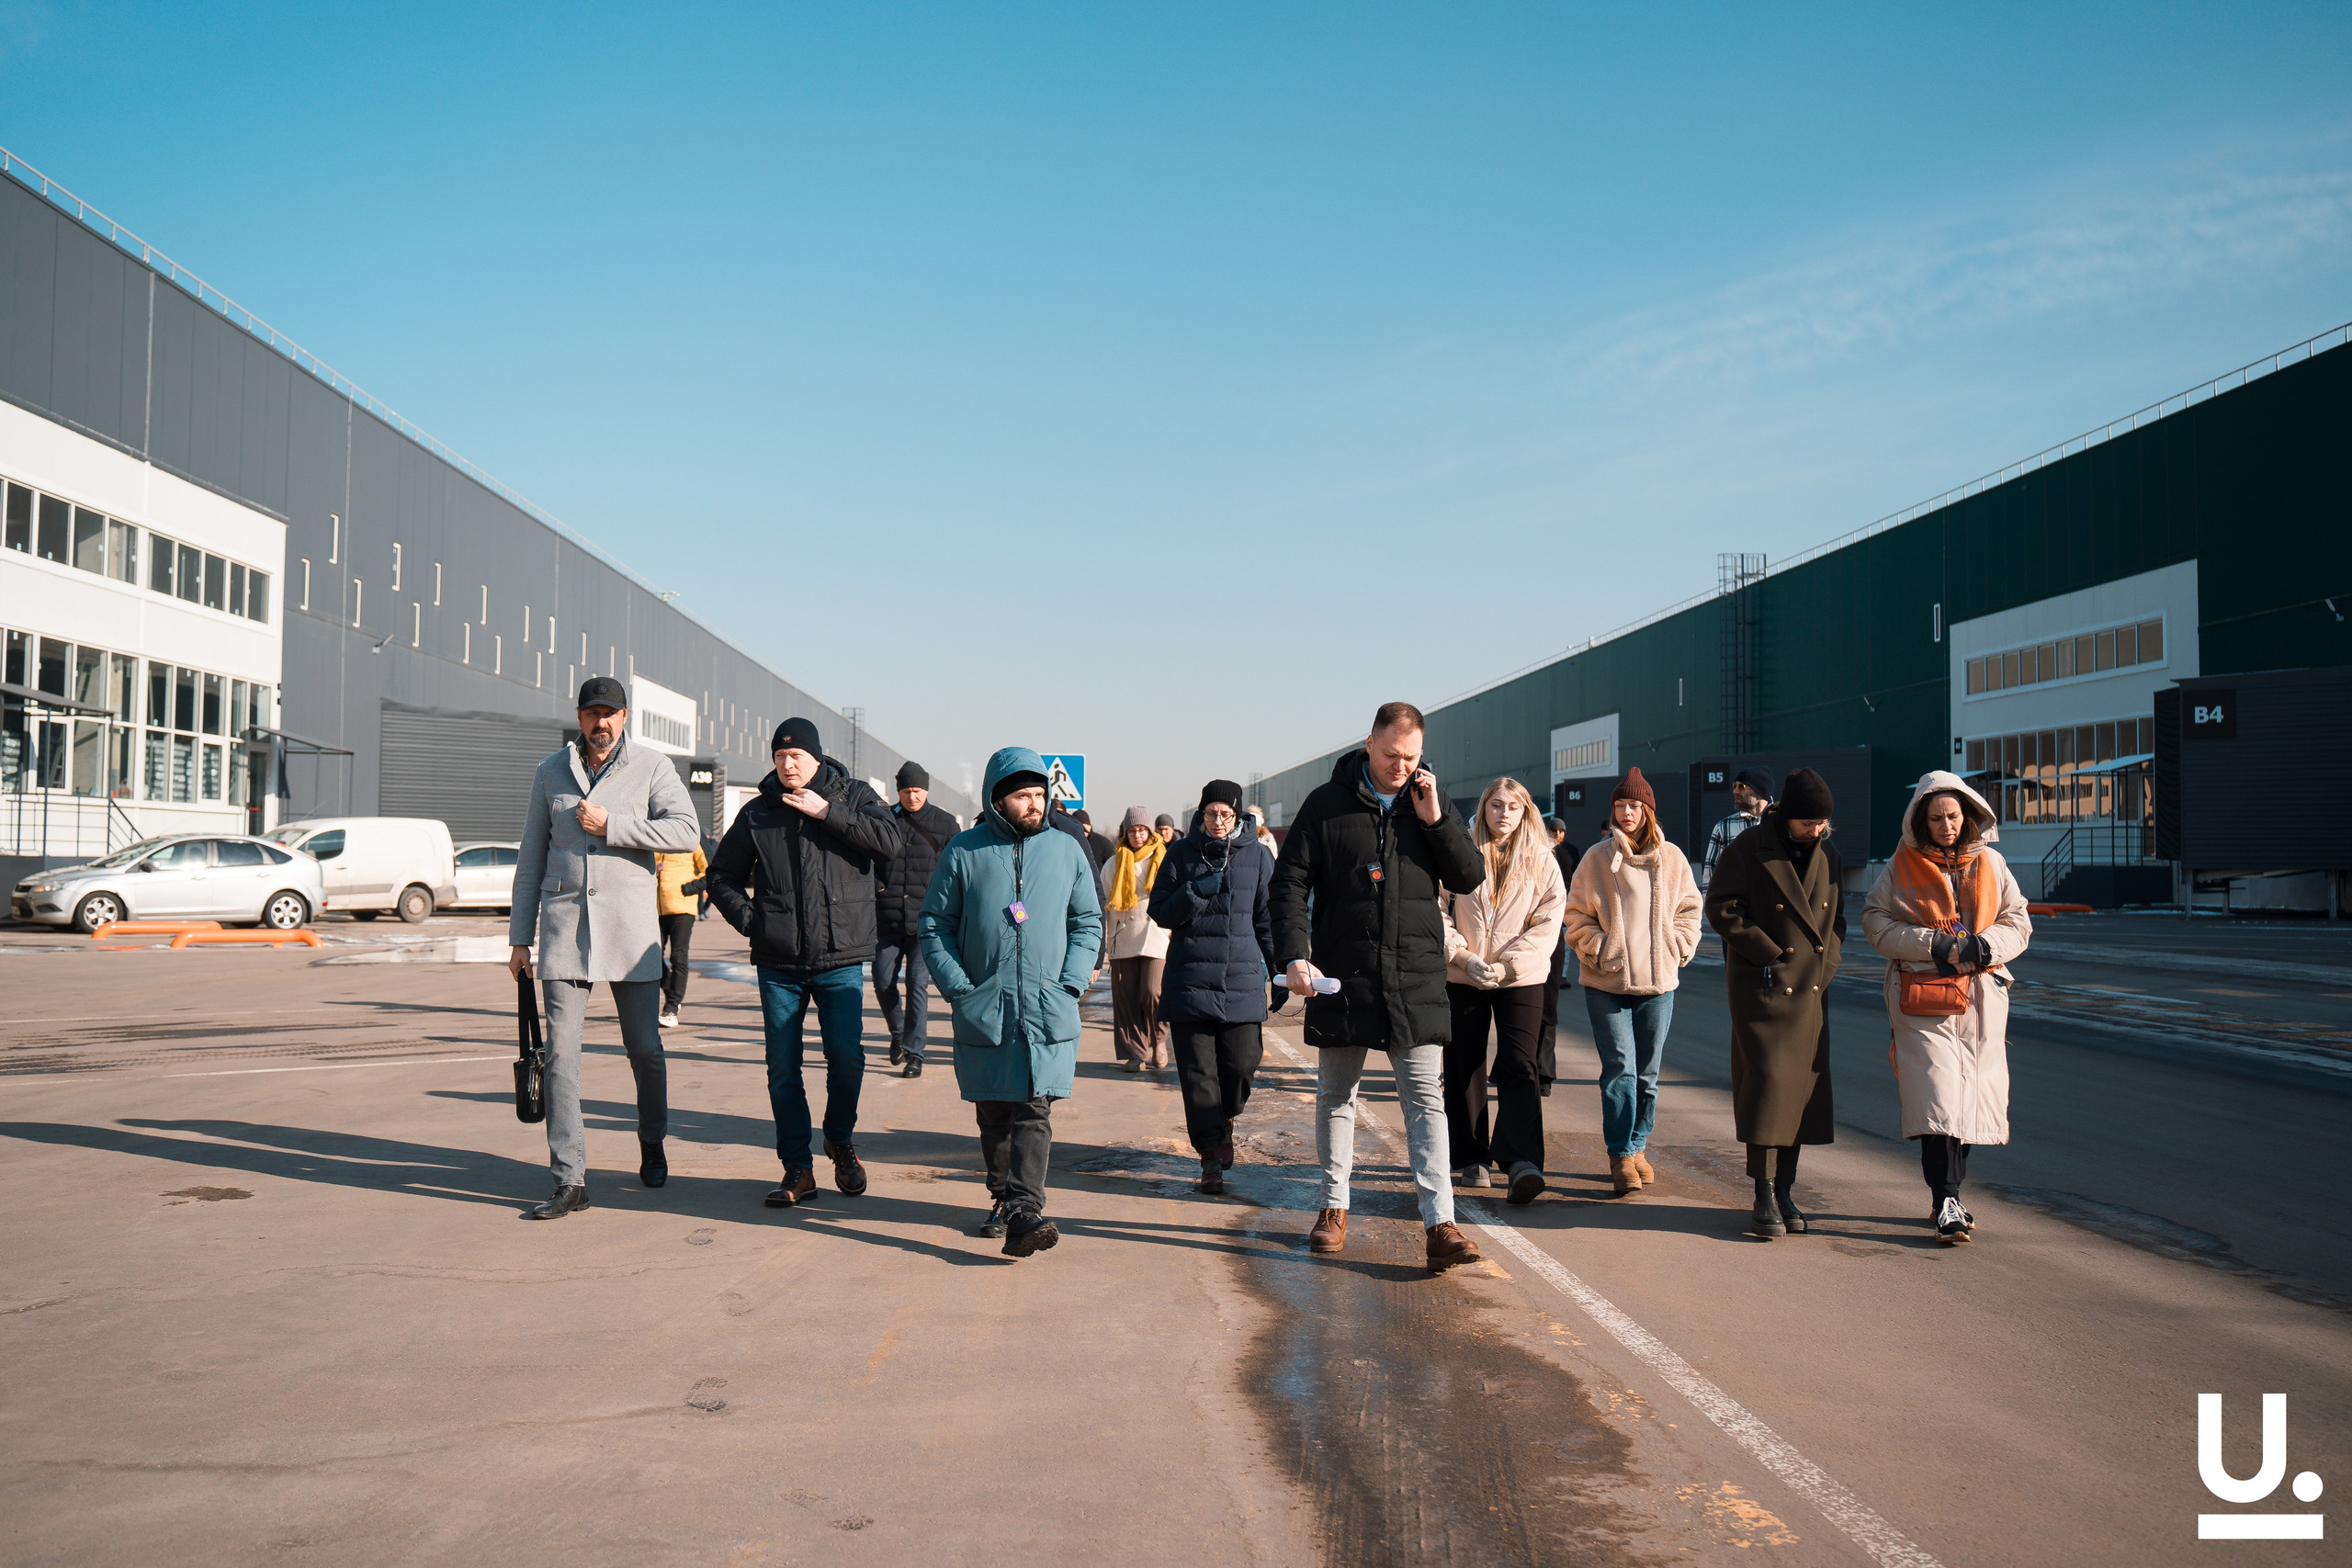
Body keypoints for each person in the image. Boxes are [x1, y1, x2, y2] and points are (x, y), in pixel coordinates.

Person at [1271, 701, 1487, 1274]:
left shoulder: (1428, 804)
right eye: (1392, 755)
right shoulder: (1326, 805)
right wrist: (1295, 955)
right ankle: (1333, 1208)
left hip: (1414, 979)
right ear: (1369, 743)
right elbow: (1288, 883)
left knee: (1425, 1103)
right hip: (1345, 978)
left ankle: (1441, 1224)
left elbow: (1469, 877)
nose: (1401, 766)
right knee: (1337, 1096)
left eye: (1412, 758)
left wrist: (1438, 819)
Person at [507, 677, 703, 1219]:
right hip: (564, 931)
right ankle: (570, 1181)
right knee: (563, 1060)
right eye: (592, 713)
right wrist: (519, 938)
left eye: (610, 714)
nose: (601, 723)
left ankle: (652, 1139)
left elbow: (687, 831)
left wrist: (615, 825)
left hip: (630, 933)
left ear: (625, 716)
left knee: (645, 1050)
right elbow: (530, 858)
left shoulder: (652, 766)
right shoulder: (550, 771)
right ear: (578, 715)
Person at [707, 717, 902, 1208]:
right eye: (779, 757)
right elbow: (721, 876)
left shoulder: (854, 796)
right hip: (779, 963)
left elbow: (889, 842)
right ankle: (798, 1167)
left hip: (840, 957)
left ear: (816, 757)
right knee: (782, 1067)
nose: (787, 764)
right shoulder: (758, 813)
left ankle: (840, 1139)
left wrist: (828, 812)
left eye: (796, 756)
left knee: (846, 1058)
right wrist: (754, 922)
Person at [919, 747, 1103, 1257]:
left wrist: (1069, 983)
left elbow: (1088, 920)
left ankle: (1026, 1212)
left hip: (1047, 1005)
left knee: (1034, 1108)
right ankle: (1001, 1196)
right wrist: (961, 988)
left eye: (1041, 794)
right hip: (986, 1006)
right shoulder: (964, 851)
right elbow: (935, 924)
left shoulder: (1066, 851)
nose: (1035, 804)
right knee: (994, 1113)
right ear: (998, 798)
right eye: (1024, 795)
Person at [1861, 772, 2032, 1244]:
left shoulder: (1993, 864)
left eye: (1953, 815)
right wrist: (1932, 944)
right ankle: (1946, 1198)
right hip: (1923, 999)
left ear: (1969, 814)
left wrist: (1985, 946)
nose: (1946, 825)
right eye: (1935, 817)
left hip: (1980, 1000)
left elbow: (2017, 920)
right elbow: (1875, 922)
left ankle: (1951, 1195)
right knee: (1938, 1095)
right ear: (1920, 819)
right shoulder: (1901, 864)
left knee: (1970, 1100)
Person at [1703, 766, 1843, 1237]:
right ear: (1789, 817)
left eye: (1822, 823)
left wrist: (1826, 969)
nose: (1816, 830)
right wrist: (1769, 953)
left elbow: (1836, 922)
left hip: (1809, 992)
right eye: (1809, 823)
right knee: (1766, 1088)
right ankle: (1762, 1190)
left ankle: (1786, 1188)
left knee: (1798, 1095)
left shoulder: (1830, 857)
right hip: (1762, 986)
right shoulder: (1749, 849)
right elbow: (1722, 908)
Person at [1562, 766, 1702, 1198]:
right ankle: (1621, 1153)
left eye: (1635, 806)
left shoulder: (1673, 859)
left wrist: (1678, 944)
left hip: (1659, 985)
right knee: (1620, 1069)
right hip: (1607, 983)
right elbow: (1575, 916)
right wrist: (1602, 948)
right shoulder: (1596, 858)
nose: (1627, 813)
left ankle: (1639, 1145)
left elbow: (1690, 909)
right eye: (1620, 805)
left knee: (1649, 1074)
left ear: (1649, 812)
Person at [1441, 778, 1567, 1205]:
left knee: (1520, 1062)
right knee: (1464, 1062)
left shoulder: (1542, 859)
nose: (1505, 813)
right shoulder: (1459, 851)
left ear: (1526, 811)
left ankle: (1520, 1161)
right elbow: (1437, 909)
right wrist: (1462, 957)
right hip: (1464, 973)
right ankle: (1471, 1156)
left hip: (1521, 977)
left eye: (1514, 806)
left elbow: (1549, 921)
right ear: (1484, 807)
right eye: (1497, 805)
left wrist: (1507, 965)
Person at [1151, 780, 1281, 1194]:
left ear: (1239, 816)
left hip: (1242, 980)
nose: (1219, 821)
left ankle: (1224, 1120)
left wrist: (1278, 971)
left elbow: (1267, 917)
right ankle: (1209, 1157)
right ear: (1201, 815)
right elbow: (1160, 912)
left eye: (1227, 814)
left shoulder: (1259, 857)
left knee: (1242, 1064)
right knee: (1197, 1075)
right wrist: (1192, 893)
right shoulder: (1180, 853)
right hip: (1190, 981)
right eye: (1211, 814)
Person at [874, 761, 958, 1078]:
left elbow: (960, 868)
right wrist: (876, 887)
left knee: (917, 984)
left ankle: (915, 1054)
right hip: (888, 919)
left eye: (918, 791)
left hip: (927, 923)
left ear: (926, 790)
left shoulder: (945, 823)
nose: (913, 797)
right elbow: (862, 859)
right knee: (882, 982)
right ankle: (897, 1032)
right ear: (899, 791)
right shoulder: (883, 820)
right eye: (907, 791)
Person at [1101, 806, 1170, 1073]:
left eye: (1142, 829)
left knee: (1153, 992)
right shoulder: (1114, 862)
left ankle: (1159, 1041)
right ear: (1125, 832)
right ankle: (1135, 1052)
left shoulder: (1164, 858)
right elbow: (1106, 898)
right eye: (1132, 830)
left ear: (1150, 831)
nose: (1137, 835)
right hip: (1124, 935)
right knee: (1127, 997)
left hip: (1157, 934)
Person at [1536, 817, 1582, 1093]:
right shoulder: (1525, 852)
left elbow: (1570, 892)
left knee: (1547, 1006)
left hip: (1552, 934)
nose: (1556, 835)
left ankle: (1543, 1072)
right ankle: (1514, 1065)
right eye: (1552, 830)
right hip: (1518, 938)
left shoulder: (1565, 856)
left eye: (1560, 831)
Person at [654, 839, 707, 1027]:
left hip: (682, 909)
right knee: (652, 958)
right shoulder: (655, 842)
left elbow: (710, 872)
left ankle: (671, 1007)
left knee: (678, 957)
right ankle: (671, 991)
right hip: (656, 910)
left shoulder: (691, 842)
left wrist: (688, 888)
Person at [1700, 768, 1774, 893]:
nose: (1735, 791)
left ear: (1760, 792)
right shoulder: (1723, 827)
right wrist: (1710, 910)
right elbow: (1710, 876)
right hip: (1737, 908)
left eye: (1742, 786)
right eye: (1735, 786)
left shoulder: (1781, 823)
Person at [1074, 808, 1115, 873]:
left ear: (1089, 827)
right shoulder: (1069, 843)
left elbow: (1112, 865)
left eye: (1084, 828)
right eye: (1078, 827)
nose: (1082, 831)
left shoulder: (1103, 843)